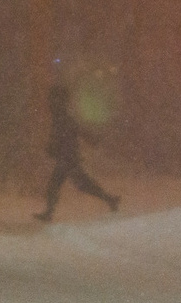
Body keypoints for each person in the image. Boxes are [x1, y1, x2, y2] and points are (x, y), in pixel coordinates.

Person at [34, 85, 120, 223]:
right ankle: (110, 199)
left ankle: (49, 213)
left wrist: (54, 147)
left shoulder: (62, 116)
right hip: (68, 157)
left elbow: (66, 133)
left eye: (52, 99)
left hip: (67, 158)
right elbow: (67, 133)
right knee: (81, 184)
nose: (49, 102)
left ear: (57, 100)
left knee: (60, 185)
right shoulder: (61, 116)